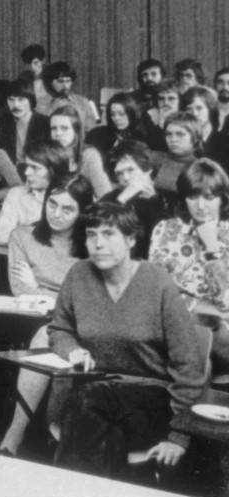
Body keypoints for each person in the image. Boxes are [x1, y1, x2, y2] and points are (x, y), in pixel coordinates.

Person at [50, 200, 205, 480]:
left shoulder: (158, 283)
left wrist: (180, 435)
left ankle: (67, 495)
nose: (98, 243)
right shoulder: (78, 275)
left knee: (85, 402)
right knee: (104, 425)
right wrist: (72, 350)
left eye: (109, 234)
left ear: (132, 239)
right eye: (91, 234)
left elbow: (190, 365)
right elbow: (59, 329)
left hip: (154, 399)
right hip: (97, 395)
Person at [0, 175, 95, 456]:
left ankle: (22, 436)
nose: (56, 213)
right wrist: (60, 294)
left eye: (67, 209)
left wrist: (40, 288)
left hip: (80, 322)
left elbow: (86, 299)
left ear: (81, 213)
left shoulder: (90, 244)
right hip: (28, 320)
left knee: (50, 337)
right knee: (46, 335)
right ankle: (45, 433)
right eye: (52, 204)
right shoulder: (22, 236)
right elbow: (20, 289)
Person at [150, 159, 229, 368]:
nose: (201, 205)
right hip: (177, 326)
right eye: (193, 196)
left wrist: (212, 247)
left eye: (209, 197)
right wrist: (202, 308)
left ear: (222, 199)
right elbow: (156, 293)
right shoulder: (166, 230)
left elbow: (226, 301)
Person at [49, 104, 113, 199]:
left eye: (64, 128)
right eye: (54, 128)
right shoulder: (47, 153)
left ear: (76, 131)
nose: (58, 133)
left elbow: (105, 195)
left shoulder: (89, 155)